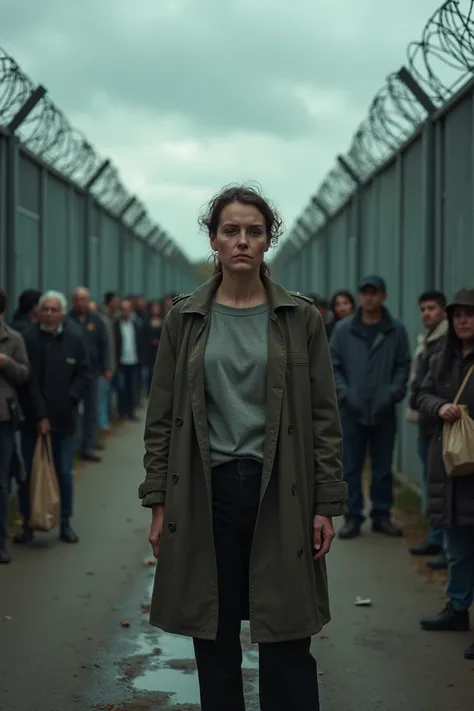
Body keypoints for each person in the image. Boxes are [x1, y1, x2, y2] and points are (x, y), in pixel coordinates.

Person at [139, 185, 347, 711]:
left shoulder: (301, 320)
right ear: (213, 240)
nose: (242, 241)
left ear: (267, 241)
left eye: (254, 231)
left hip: (281, 489)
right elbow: (161, 419)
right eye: (230, 230)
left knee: (286, 637)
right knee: (213, 634)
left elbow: (324, 419)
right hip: (207, 492)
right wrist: (159, 501)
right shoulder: (184, 319)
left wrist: (327, 504)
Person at [330, 275, 411, 539]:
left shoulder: (395, 330)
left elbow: (403, 365)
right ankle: (353, 517)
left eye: (374, 292)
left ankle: (382, 515)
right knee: (351, 467)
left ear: (383, 296)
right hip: (351, 412)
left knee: (382, 468)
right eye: (364, 292)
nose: (368, 297)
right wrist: (345, 394)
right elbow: (333, 365)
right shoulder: (343, 330)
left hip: (384, 410)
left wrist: (392, 393)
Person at [417, 289, 474, 661]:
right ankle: (456, 609)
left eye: (470, 314)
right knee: (455, 544)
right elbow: (418, 396)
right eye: (458, 316)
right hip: (450, 465)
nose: (463, 320)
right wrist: (440, 407)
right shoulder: (440, 358)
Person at [15, 291, 92, 546]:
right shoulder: (29, 339)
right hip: (33, 421)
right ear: (39, 312)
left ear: (62, 313)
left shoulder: (75, 339)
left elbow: (84, 374)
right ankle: (28, 522)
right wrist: (40, 415)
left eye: (53, 310)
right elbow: (29, 381)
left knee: (64, 472)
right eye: (45, 309)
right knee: (29, 472)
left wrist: (70, 399)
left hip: (64, 418)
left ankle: (65, 522)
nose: (48, 314)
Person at [407, 291, 448, 566]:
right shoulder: (430, 340)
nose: (426, 314)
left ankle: (446, 546)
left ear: (444, 310)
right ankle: (436, 538)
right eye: (422, 309)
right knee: (433, 483)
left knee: (445, 486)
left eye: (431, 308)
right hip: (426, 421)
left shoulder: (445, 342)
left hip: (439, 424)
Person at [0, 289, 30, 564]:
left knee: (2, 483)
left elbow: (24, 375)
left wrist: (6, 362)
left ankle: (0, 541)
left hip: (4, 420)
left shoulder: (13, 339)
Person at [69, 287, 110, 462]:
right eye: (77, 299)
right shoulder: (67, 320)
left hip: (93, 372)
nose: (81, 303)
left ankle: (88, 446)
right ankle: (74, 445)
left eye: (84, 299)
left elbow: (104, 345)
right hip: (72, 373)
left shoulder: (96, 321)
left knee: (91, 410)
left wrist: (106, 367)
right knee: (73, 410)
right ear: (73, 302)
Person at [115, 299, 140, 421]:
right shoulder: (117, 325)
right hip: (121, 361)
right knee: (121, 388)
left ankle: (130, 412)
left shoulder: (135, 324)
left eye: (128, 309)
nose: (125, 312)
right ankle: (121, 413)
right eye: (123, 309)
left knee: (132, 388)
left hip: (133, 360)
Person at [98, 292, 120, 434]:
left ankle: (105, 421)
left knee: (107, 394)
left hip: (110, 363)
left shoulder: (112, 317)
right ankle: (102, 423)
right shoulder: (103, 319)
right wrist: (108, 365)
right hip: (105, 365)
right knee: (102, 396)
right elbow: (107, 345)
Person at [144, 299, 163, 393]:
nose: (156, 309)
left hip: (161, 350)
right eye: (154, 307)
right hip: (149, 350)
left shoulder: (164, 319)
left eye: (157, 307)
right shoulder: (147, 320)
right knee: (150, 372)